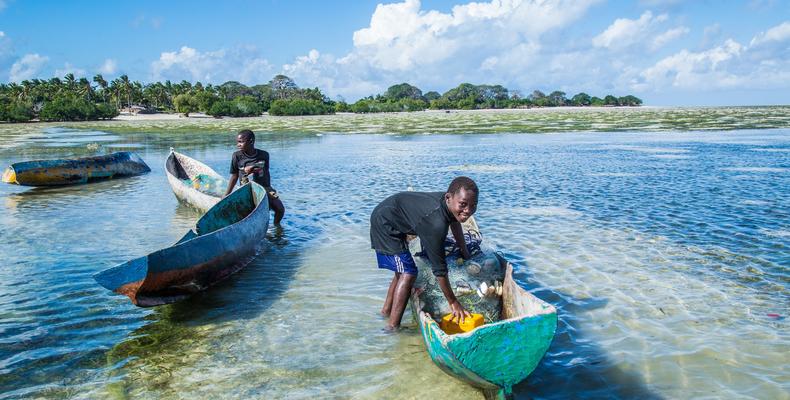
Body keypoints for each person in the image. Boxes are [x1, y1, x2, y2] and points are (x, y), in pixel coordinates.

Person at [370, 177, 479, 330]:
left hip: (393, 214)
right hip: (385, 223)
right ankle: (392, 327)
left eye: (473, 205)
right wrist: (453, 302)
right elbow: (439, 270)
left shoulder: (450, 205)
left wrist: (465, 252)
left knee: (401, 271)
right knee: (408, 273)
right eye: (463, 204)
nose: (468, 210)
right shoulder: (436, 225)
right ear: (448, 198)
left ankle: (386, 312)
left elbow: (455, 223)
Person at [223, 129, 285, 226]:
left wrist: (251, 168)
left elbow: (262, 167)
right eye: (237, 142)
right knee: (247, 214)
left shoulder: (264, 155)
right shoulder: (237, 156)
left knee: (280, 209)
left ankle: (277, 227)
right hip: (247, 189)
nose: (238, 145)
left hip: (264, 188)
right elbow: (234, 176)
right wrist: (226, 195)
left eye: (241, 142)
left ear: (251, 141)